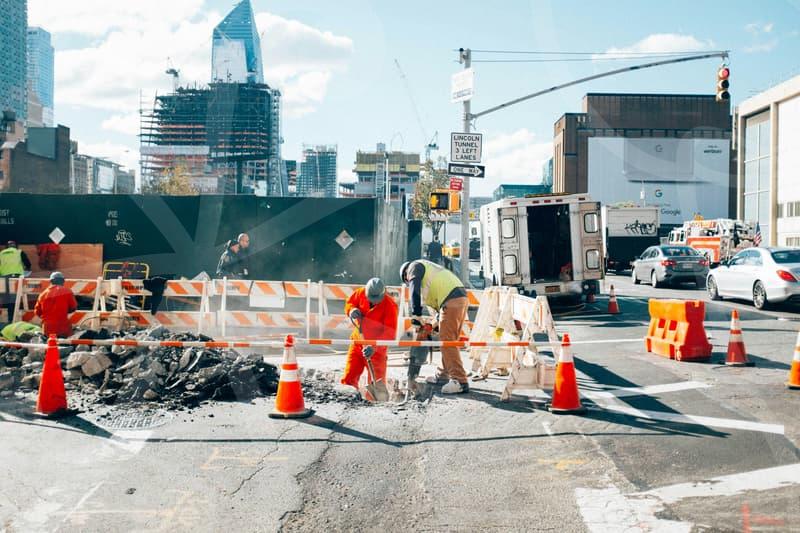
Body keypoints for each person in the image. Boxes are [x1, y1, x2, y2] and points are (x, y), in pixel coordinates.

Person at [400, 259, 470, 394]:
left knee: (447, 341)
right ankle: (443, 375)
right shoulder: (431, 275)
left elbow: (414, 286)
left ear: (405, 275)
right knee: (448, 340)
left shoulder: (414, 266)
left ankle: (460, 381)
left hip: (451, 298)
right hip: (459, 297)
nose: (409, 281)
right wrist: (431, 326)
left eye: (407, 280)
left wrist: (416, 314)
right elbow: (439, 313)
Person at [341, 277, 398, 389]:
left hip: (376, 351)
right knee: (349, 379)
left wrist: (374, 347)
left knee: (377, 385)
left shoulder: (390, 306)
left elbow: (389, 333)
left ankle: (376, 404)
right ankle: (349, 400)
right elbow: (350, 303)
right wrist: (351, 310)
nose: (373, 301)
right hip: (357, 343)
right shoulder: (360, 293)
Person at [34, 272, 77, 338]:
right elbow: (73, 307)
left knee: (49, 346)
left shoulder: (43, 294)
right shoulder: (67, 291)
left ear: (51, 281)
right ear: (63, 281)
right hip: (63, 329)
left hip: (47, 330)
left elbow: (37, 312)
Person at [0, 241, 32, 323]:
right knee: (13, 299)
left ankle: (4, 320)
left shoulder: (1, 253)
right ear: (16, 246)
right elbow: (28, 264)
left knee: (5, 298)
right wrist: (27, 269)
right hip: (16, 278)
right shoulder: (19, 252)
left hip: (3, 278)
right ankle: (11, 320)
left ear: (6, 247)